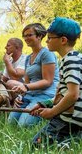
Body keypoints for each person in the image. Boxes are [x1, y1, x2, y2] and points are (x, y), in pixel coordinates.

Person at [30, 17, 82, 147]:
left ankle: (72, 141)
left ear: (63, 40)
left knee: (36, 145)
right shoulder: (75, 58)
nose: (46, 41)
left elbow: (73, 95)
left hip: (68, 121)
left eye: (49, 37)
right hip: (70, 118)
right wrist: (45, 104)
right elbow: (65, 93)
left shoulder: (71, 60)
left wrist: (52, 112)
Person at [8, 23, 59, 127]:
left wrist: (25, 87)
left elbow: (48, 81)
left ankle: (48, 113)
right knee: (11, 123)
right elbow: (27, 82)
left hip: (45, 95)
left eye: (29, 35)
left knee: (23, 125)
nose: (26, 38)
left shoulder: (46, 53)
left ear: (39, 36)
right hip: (30, 95)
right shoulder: (28, 58)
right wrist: (20, 96)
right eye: (24, 36)